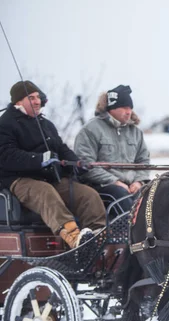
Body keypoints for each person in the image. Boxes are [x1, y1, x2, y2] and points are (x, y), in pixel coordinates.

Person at [0, 80, 106, 248]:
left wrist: (77, 163)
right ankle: (74, 239)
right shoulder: (5, 123)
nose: (37, 101)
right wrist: (40, 159)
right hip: (19, 180)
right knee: (45, 193)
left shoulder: (46, 124)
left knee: (88, 195)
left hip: (49, 178)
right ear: (18, 101)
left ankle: (98, 238)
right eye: (31, 98)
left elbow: (61, 148)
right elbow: (6, 156)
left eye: (37, 97)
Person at [74, 85, 150, 212]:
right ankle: (127, 231)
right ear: (112, 108)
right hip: (102, 186)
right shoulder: (90, 129)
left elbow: (143, 160)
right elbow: (86, 165)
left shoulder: (136, 132)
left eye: (130, 108)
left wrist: (139, 182)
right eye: (124, 107)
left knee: (153, 194)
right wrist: (115, 182)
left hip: (132, 185)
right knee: (121, 196)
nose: (128, 111)